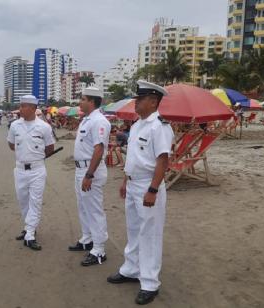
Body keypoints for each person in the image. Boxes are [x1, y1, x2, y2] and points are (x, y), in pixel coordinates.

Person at [107, 80, 174, 306]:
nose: (136, 102)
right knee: (134, 229)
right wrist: (126, 180)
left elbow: (162, 160)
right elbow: (134, 158)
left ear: (153, 101)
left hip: (148, 185)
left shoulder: (160, 126)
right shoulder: (137, 125)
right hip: (134, 184)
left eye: (140, 99)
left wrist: (153, 190)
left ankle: (149, 283)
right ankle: (131, 269)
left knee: (150, 235)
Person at [68, 87, 111, 266]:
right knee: (83, 207)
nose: (80, 102)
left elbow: (99, 149)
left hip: (90, 171)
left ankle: (99, 249)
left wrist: (89, 174)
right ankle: (87, 239)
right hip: (81, 170)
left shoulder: (99, 121)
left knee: (94, 210)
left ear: (92, 102)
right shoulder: (87, 120)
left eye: (83, 99)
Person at [7, 95, 55, 251]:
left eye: (24, 106)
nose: (20, 109)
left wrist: (34, 158)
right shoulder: (14, 125)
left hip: (37, 170)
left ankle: (30, 235)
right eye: (20, 106)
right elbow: (11, 144)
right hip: (20, 169)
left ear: (34, 108)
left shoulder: (44, 127)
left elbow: (50, 148)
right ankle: (29, 227)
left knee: (35, 201)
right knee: (23, 201)